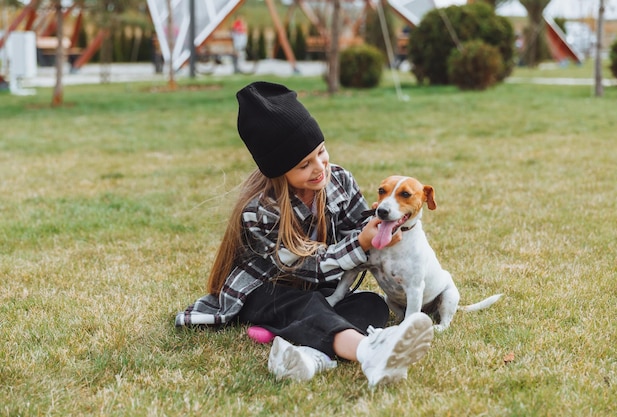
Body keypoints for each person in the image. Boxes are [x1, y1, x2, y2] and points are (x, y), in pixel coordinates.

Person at [175, 81, 434, 387]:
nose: (319, 168)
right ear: (279, 171)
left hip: (321, 293)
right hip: (267, 293)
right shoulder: (260, 211)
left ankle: (312, 357)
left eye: (321, 152)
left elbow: (356, 230)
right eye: (303, 165)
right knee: (307, 305)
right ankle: (369, 352)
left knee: (371, 304)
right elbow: (303, 266)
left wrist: (378, 228)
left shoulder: (339, 179)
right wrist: (361, 242)